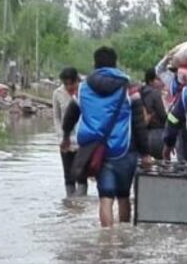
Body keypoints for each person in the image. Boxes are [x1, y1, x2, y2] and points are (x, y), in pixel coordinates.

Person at [62, 47, 150, 227]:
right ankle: (123, 239)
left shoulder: (83, 88)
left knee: (105, 197)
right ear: (115, 63)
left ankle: (107, 241)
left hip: (97, 151)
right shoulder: (129, 87)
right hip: (124, 148)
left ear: (95, 64)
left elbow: (71, 114)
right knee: (123, 196)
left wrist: (65, 136)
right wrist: (145, 153)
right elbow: (139, 124)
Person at [52, 67, 88, 197]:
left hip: (82, 138)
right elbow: (56, 116)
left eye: (71, 83)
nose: (68, 87)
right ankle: (70, 204)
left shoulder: (84, 92)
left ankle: (81, 201)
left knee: (81, 173)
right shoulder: (57, 93)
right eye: (65, 84)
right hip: (65, 138)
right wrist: (60, 135)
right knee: (68, 174)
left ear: (76, 81)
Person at [141, 67, 168, 158]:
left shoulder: (141, 93)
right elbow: (163, 115)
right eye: (158, 79)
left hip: (144, 135)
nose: (162, 82)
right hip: (158, 134)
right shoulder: (155, 94)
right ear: (150, 81)